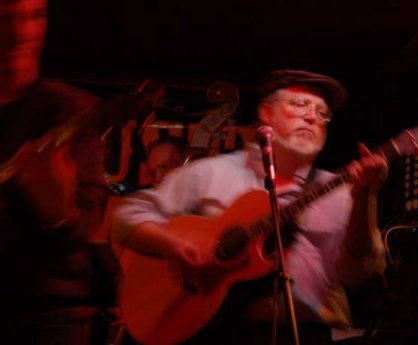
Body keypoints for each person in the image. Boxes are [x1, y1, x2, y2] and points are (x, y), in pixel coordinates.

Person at [111, 69, 388, 345]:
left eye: (322, 113)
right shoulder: (209, 173)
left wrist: (366, 196)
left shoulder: (340, 191)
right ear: (267, 114)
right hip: (217, 333)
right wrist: (173, 244)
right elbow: (126, 216)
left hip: (305, 334)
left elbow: (357, 276)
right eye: (299, 105)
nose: (312, 116)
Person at [0, 0, 112, 343]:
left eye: (34, 16)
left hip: (43, 316)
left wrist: (58, 215)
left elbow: (87, 224)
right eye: (5, 19)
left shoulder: (73, 112)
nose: (22, 34)